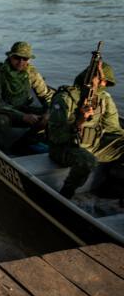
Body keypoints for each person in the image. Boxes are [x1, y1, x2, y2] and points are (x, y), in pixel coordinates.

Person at [48, 60, 124, 198]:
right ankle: (66, 194)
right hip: (65, 148)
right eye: (101, 80)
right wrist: (79, 121)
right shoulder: (65, 98)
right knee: (87, 160)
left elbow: (115, 130)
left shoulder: (104, 99)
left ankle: (113, 186)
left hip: (94, 145)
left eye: (106, 82)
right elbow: (55, 136)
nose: (103, 85)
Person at [0, 41, 55, 153]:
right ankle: (1, 150)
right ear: (10, 57)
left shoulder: (31, 73)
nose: (21, 62)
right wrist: (23, 116)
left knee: (53, 115)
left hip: (22, 109)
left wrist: (48, 112)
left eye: (25, 59)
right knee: (2, 121)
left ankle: (27, 141)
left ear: (29, 60)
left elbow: (46, 95)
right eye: (17, 58)